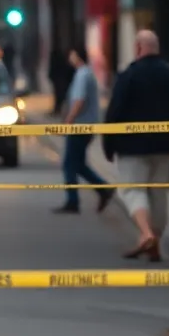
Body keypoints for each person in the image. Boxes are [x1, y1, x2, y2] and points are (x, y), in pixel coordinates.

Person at [102, 30, 169, 261]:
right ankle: (155, 244)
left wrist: (108, 144)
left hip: (132, 147)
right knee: (158, 194)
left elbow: (115, 112)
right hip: (166, 147)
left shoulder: (129, 75)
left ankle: (145, 233)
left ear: (139, 47)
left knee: (134, 190)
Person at [54, 46, 116, 215]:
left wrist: (68, 121)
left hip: (80, 126)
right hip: (86, 126)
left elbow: (79, 101)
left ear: (77, 55)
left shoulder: (82, 75)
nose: (69, 57)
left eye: (72, 54)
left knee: (69, 164)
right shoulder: (86, 73)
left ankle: (72, 201)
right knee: (78, 164)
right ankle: (103, 189)